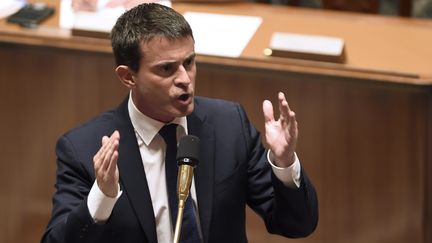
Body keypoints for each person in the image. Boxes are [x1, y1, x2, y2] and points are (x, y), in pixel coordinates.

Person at [41, 3, 318, 243]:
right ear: (128, 77)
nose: (185, 78)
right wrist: (102, 196)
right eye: (166, 68)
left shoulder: (229, 125)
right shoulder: (83, 149)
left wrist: (284, 163)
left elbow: (297, 225)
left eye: (189, 62)